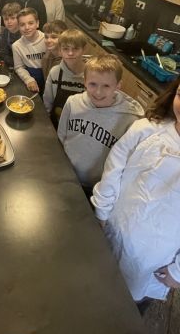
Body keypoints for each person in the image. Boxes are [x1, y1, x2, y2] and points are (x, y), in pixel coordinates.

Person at [91, 77, 180, 306]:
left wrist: (178, 271)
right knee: (97, 283)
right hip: (116, 226)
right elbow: (114, 167)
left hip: (152, 254)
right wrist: (102, 209)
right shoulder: (148, 129)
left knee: (126, 305)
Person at [58, 55, 144, 196]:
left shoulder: (129, 120)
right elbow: (61, 136)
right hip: (66, 175)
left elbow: (124, 162)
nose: (98, 92)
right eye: (93, 84)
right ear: (84, 82)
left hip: (98, 188)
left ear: (118, 85)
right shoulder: (72, 103)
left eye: (106, 86)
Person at [43, 29, 87, 128]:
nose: (70, 53)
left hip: (80, 128)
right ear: (60, 50)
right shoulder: (55, 72)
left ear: (84, 49)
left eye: (75, 48)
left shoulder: (90, 75)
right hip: (56, 124)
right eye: (66, 49)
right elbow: (47, 101)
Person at [12, 8, 46, 94]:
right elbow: (19, 67)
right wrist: (28, 79)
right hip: (31, 77)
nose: (27, 28)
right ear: (18, 27)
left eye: (30, 23)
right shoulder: (16, 46)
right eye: (22, 25)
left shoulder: (47, 40)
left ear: (37, 23)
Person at [0, 2, 21, 68]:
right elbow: (3, 53)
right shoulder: (5, 32)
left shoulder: (24, 32)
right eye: (6, 19)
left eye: (12, 18)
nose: (9, 22)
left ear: (19, 18)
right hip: (12, 65)